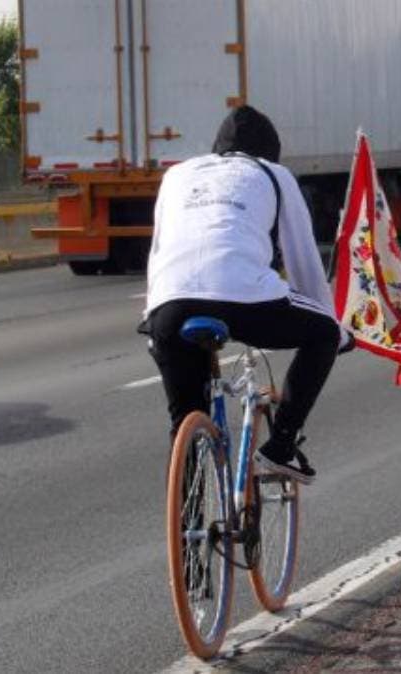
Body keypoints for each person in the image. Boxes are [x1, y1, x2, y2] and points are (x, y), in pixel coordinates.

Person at [144, 105, 343, 484]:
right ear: (270, 151)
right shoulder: (273, 174)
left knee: (184, 417)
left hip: (169, 301)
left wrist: (153, 324)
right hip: (246, 299)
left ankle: (188, 536)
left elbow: (159, 251)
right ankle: (281, 446)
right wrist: (336, 327)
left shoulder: (176, 175)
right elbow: (303, 259)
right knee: (324, 333)